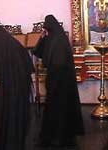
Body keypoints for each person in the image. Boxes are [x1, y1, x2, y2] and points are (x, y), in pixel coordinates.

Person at [32, 15, 84, 147]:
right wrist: (42, 37)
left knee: (61, 108)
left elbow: (59, 63)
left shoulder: (60, 39)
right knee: (56, 108)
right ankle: (57, 134)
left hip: (62, 81)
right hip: (55, 79)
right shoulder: (51, 38)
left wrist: (53, 79)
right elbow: (37, 52)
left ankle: (61, 136)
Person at [0, 21, 34, 150]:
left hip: (8, 87)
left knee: (9, 113)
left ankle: (9, 141)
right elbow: (28, 62)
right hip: (21, 85)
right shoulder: (11, 40)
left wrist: (0, 78)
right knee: (18, 111)